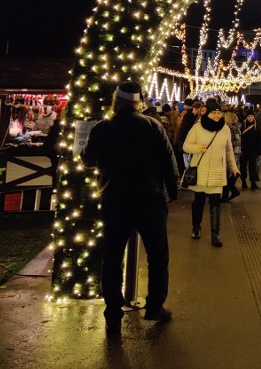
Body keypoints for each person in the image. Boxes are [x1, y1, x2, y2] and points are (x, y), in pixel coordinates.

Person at [81, 81, 179, 338]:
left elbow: (88, 159)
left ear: (116, 101)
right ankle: (155, 306)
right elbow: (169, 162)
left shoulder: (103, 128)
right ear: (138, 102)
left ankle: (113, 314)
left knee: (112, 256)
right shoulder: (152, 126)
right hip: (149, 198)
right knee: (158, 254)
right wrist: (172, 191)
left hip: (114, 199)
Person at [183, 98, 240, 247]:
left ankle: (216, 234)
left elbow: (228, 151)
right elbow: (185, 146)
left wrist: (233, 167)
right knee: (198, 202)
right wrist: (197, 148)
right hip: (200, 170)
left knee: (216, 204)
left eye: (219, 112)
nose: (217, 115)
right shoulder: (197, 127)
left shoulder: (225, 129)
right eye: (214, 112)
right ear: (207, 113)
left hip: (217, 171)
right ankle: (196, 228)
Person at [221, 106, 242, 203]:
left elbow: (234, 143)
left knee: (227, 177)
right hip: (235, 154)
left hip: (231, 155)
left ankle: (228, 195)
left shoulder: (230, 129)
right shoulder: (237, 128)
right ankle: (227, 195)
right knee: (228, 177)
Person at [239, 110, 261, 190]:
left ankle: (252, 182)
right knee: (243, 167)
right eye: (248, 116)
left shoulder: (256, 127)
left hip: (253, 150)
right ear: (246, 117)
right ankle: (243, 181)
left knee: (252, 166)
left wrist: (259, 150)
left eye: (251, 116)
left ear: (254, 117)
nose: (250, 118)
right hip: (244, 150)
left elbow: (259, 139)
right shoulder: (242, 126)